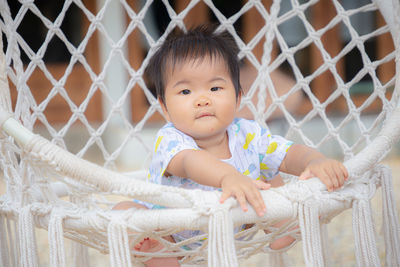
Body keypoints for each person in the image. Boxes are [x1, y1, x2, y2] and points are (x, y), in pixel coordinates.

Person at [113, 25, 348, 267]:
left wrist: (314, 161)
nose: (203, 99)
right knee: (123, 212)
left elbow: (287, 153)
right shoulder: (171, 138)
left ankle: (283, 227)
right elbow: (189, 162)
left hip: (237, 225)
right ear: (164, 107)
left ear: (237, 98)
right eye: (185, 91)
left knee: (269, 172)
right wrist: (228, 177)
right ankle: (160, 256)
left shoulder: (247, 133)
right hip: (172, 231)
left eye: (215, 88)